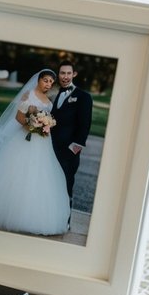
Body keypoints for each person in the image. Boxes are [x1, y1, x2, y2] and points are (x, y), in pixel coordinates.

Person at [0, 69, 70, 236]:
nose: (48, 84)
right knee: (16, 172)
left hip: (42, 143)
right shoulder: (28, 95)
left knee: (39, 174)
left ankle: (33, 214)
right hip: (24, 138)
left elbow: (48, 120)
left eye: (51, 82)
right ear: (39, 80)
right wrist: (32, 125)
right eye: (45, 80)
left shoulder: (48, 103)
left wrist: (45, 125)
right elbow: (19, 117)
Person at [51, 61, 92, 202]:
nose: (66, 76)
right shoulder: (55, 95)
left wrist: (74, 149)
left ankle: (65, 222)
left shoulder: (83, 97)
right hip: (51, 149)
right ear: (58, 75)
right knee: (51, 184)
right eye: (63, 73)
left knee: (66, 186)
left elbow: (85, 125)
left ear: (74, 74)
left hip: (68, 152)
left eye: (69, 73)